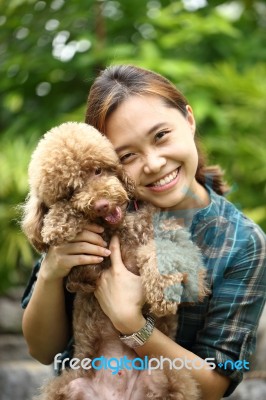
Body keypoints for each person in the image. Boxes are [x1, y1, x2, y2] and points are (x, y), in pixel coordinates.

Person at [21, 64, 266, 399]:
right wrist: (51, 270)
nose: (153, 163)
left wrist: (132, 324)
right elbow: (41, 349)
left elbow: (216, 383)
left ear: (189, 120)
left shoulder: (241, 242)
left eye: (161, 136)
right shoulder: (93, 214)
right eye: (128, 155)